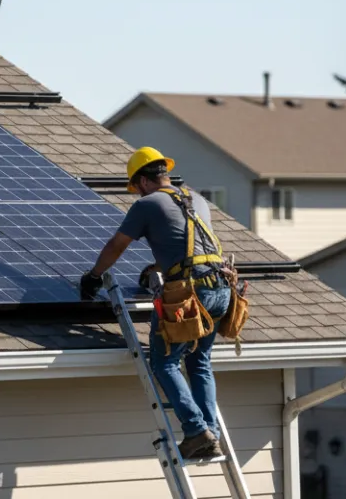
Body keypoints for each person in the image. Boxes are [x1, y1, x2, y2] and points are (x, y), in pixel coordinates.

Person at [79, 146, 232, 460]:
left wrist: (94, 275)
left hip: (191, 293)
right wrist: (159, 268)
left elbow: (117, 244)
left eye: (135, 188)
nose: (136, 194)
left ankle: (195, 430)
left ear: (143, 182)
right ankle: (210, 433)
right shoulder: (196, 199)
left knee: (164, 362)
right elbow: (190, 244)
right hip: (221, 288)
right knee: (199, 362)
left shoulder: (147, 204)